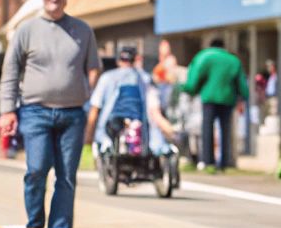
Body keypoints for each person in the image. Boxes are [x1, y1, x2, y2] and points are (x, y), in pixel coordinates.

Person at [0, 0, 99, 228]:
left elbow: (93, 67)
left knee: (66, 176)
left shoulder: (82, 30)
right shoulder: (26, 30)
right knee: (36, 170)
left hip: (72, 114)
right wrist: (7, 111)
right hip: (35, 112)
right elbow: (10, 72)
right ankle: (34, 226)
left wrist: (85, 93)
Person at [86, 46, 176, 154]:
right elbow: (154, 110)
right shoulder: (145, 78)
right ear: (135, 60)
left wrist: (88, 137)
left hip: (109, 132)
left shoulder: (107, 77)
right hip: (142, 133)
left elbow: (94, 109)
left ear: (118, 61)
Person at [185, 37, 247, 171]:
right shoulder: (233, 60)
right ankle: (225, 161)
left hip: (209, 97)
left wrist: (190, 89)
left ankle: (208, 161)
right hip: (227, 98)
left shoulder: (205, 56)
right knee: (226, 130)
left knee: (207, 129)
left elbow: (195, 76)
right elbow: (241, 82)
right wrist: (243, 96)